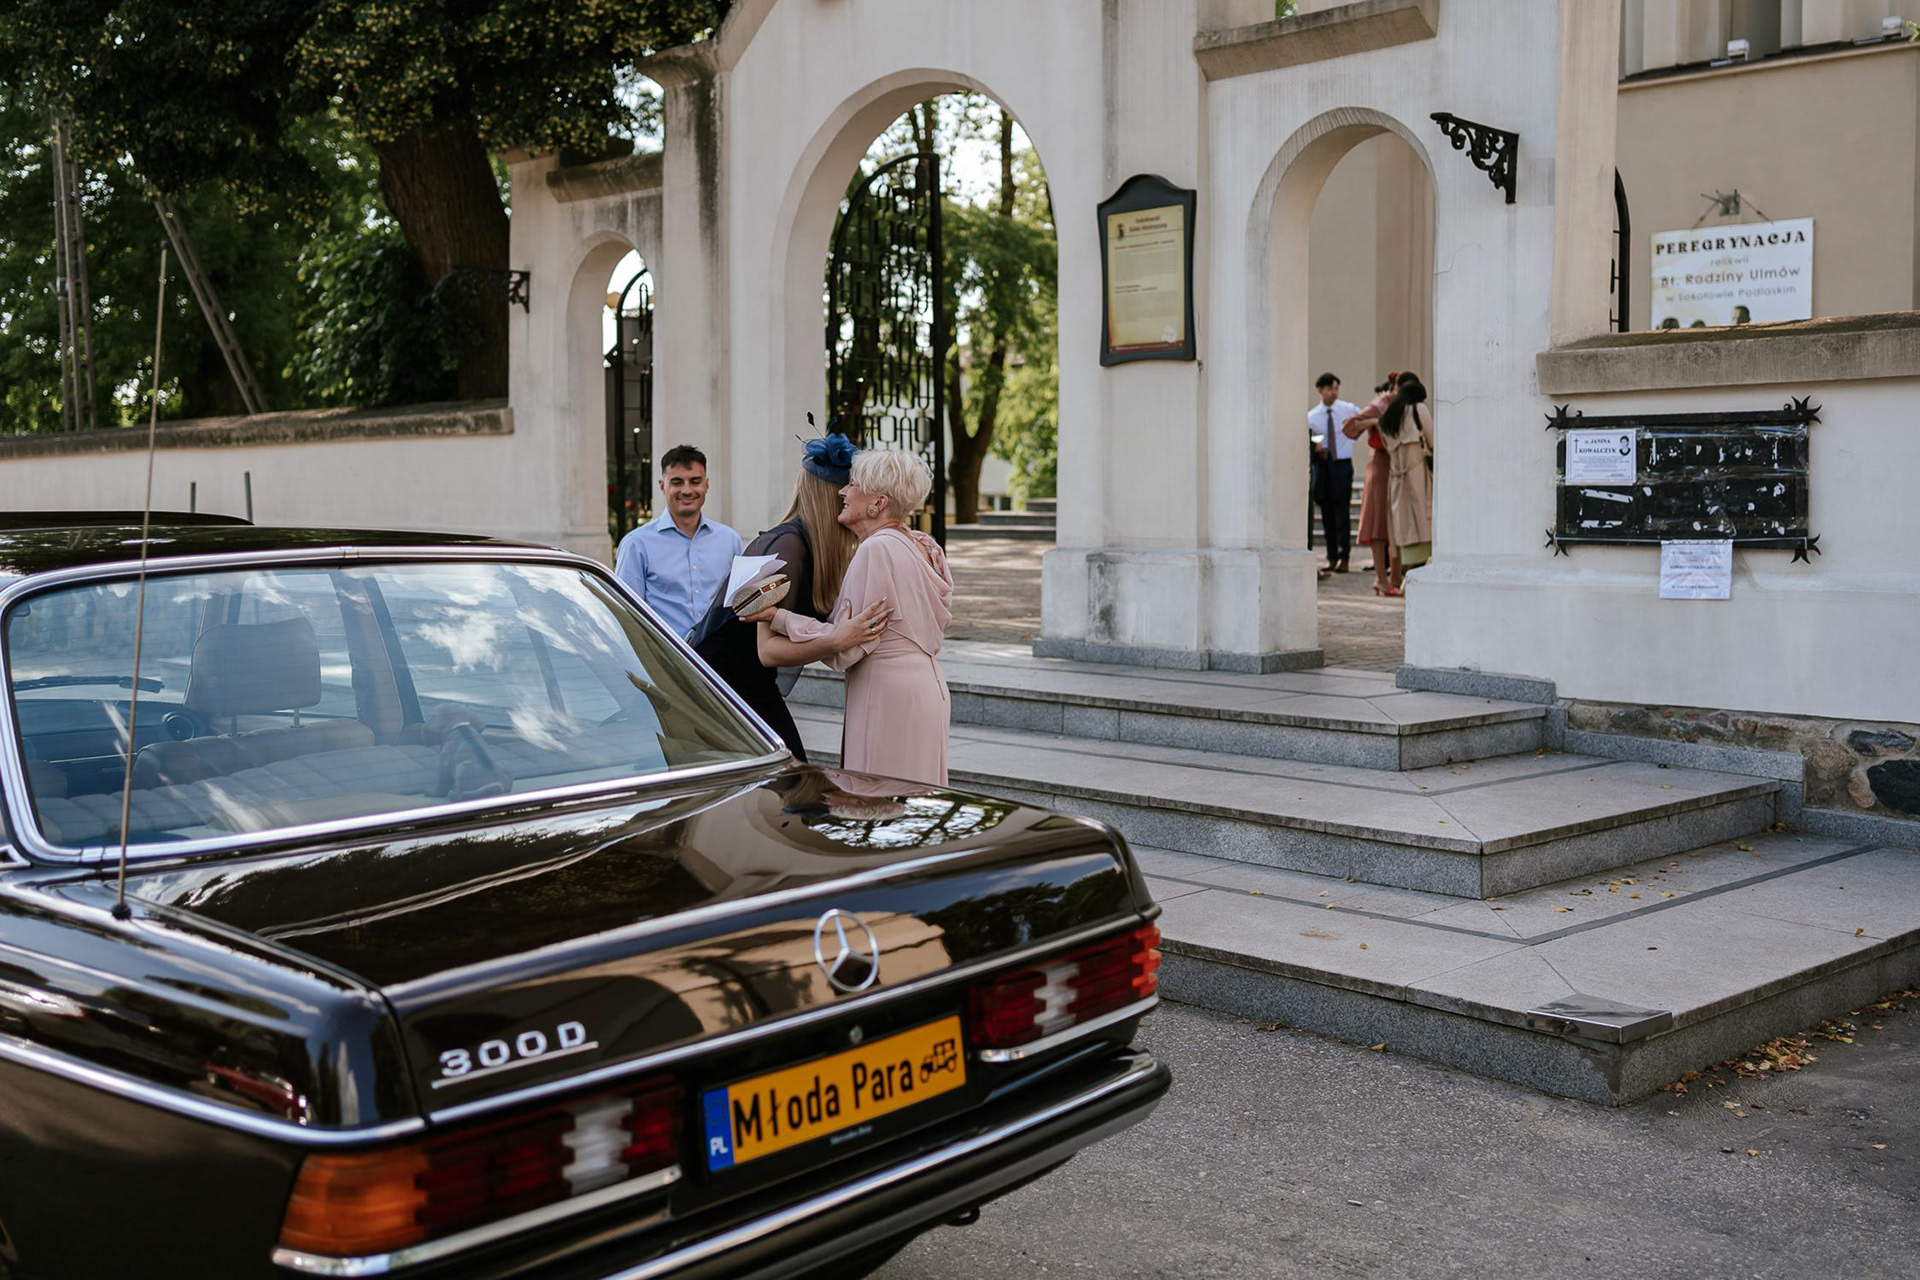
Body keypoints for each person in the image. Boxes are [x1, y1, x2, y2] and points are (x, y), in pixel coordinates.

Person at [762, 448, 954, 787]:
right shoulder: (924, 546)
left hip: (887, 695)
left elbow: (846, 645)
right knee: (915, 802)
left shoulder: (876, 549)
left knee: (877, 800)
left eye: (852, 484)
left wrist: (778, 618)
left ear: (878, 502)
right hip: (928, 688)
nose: (842, 492)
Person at [694, 432, 885, 760]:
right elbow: (768, 650)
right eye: (851, 487)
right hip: (718, 689)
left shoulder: (813, 549)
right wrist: (837, 640)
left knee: (787, 779)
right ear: (835, 496)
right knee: (792, 779)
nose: (852, 495)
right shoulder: (787, 547)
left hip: (751, 684)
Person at [613, 444, 743, 637]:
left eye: (695, 481)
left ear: (706, 485)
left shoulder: (730, 540)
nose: (687, 490)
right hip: (665, 654)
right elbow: (626, 613)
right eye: (677, 482)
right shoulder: (637, 544)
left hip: (721, 652)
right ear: (662, 486)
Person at [1343, 371, 1403, 596]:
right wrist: (1374, 422)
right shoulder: (1380, 404)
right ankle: (1381, 577)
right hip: (1380, 463)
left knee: (1395, 522)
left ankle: (1395, 577)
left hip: (1396, 463)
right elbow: (1350, 425)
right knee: (1378, 522)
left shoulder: (1401, 405)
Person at [1378, 371, 1435, 589]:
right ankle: (1417, 576)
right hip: (1418, 476)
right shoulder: (1419, 409)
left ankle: (1408, 572)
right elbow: (1433, 440)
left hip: (1397, 479)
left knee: (1404, 525)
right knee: (1423, 522)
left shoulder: (1389, 415)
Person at [1308, 372, 1360, 574]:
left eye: (1336, 388)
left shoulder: (1347, 409)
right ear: (1320, 390)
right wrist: (1318, 448)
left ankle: (1344, 556)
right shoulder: (1312, 416)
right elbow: (1312, 438)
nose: (1334, 393)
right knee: (1327, 512)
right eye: (1330, 389)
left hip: (1342, 463)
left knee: (1342, 511)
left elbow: (1362, 421)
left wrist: (1353, 438)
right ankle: (1331, 557)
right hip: (1324, 464)